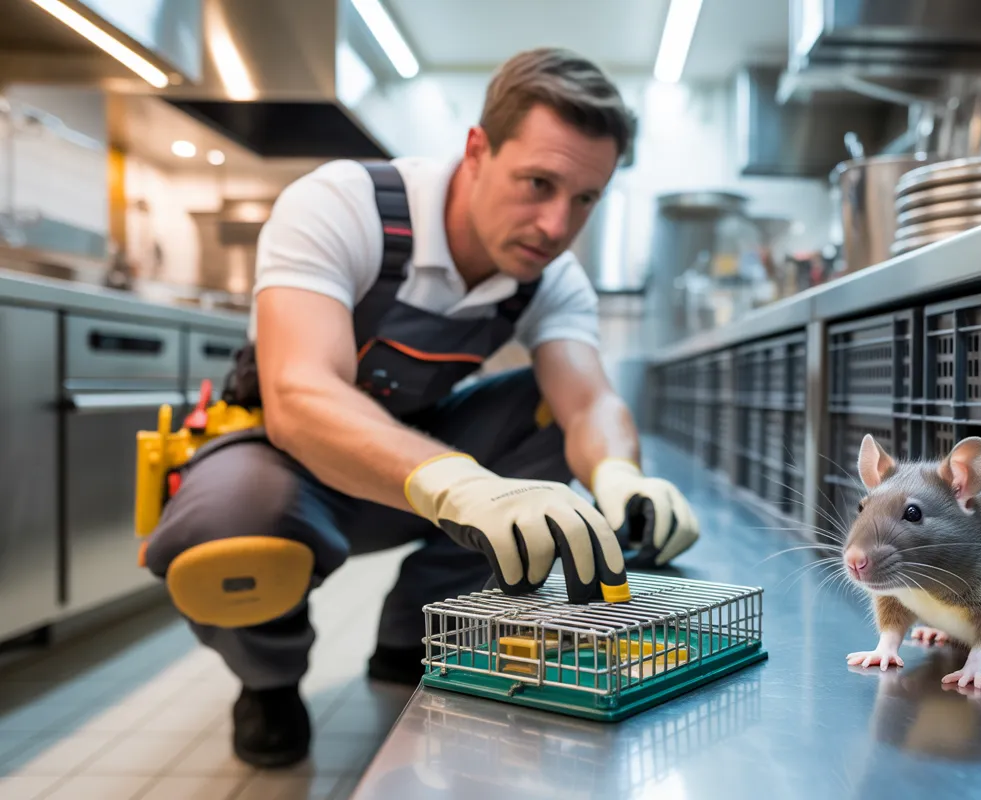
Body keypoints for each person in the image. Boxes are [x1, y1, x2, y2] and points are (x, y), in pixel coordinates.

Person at [140, 47, 701, 768]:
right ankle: (269, 682)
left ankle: (412, 636)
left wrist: (621, 477)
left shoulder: (549, 279)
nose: (557, 224)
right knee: (229, 534)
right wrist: (461, 484)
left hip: (408, 478)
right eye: (538, 183)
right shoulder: (345, 205)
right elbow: (298, 394)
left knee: (547, 414)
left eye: (585, 199)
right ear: (477, 150)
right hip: (285, 474)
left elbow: (587, 398)